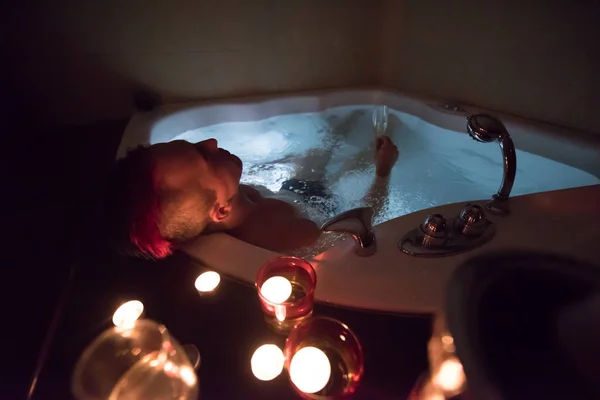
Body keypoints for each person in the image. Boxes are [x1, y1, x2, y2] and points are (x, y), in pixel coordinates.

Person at [105, 135, 399, 259]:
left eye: (195, 144)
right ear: (220, 210)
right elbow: (364, 226)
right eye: (204, 157)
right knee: (347, 169)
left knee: (316, 156)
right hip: (324, 210)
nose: (211, 142)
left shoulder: (228, 200)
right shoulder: (286, 237)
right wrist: (383, 173)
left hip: (290, 193)